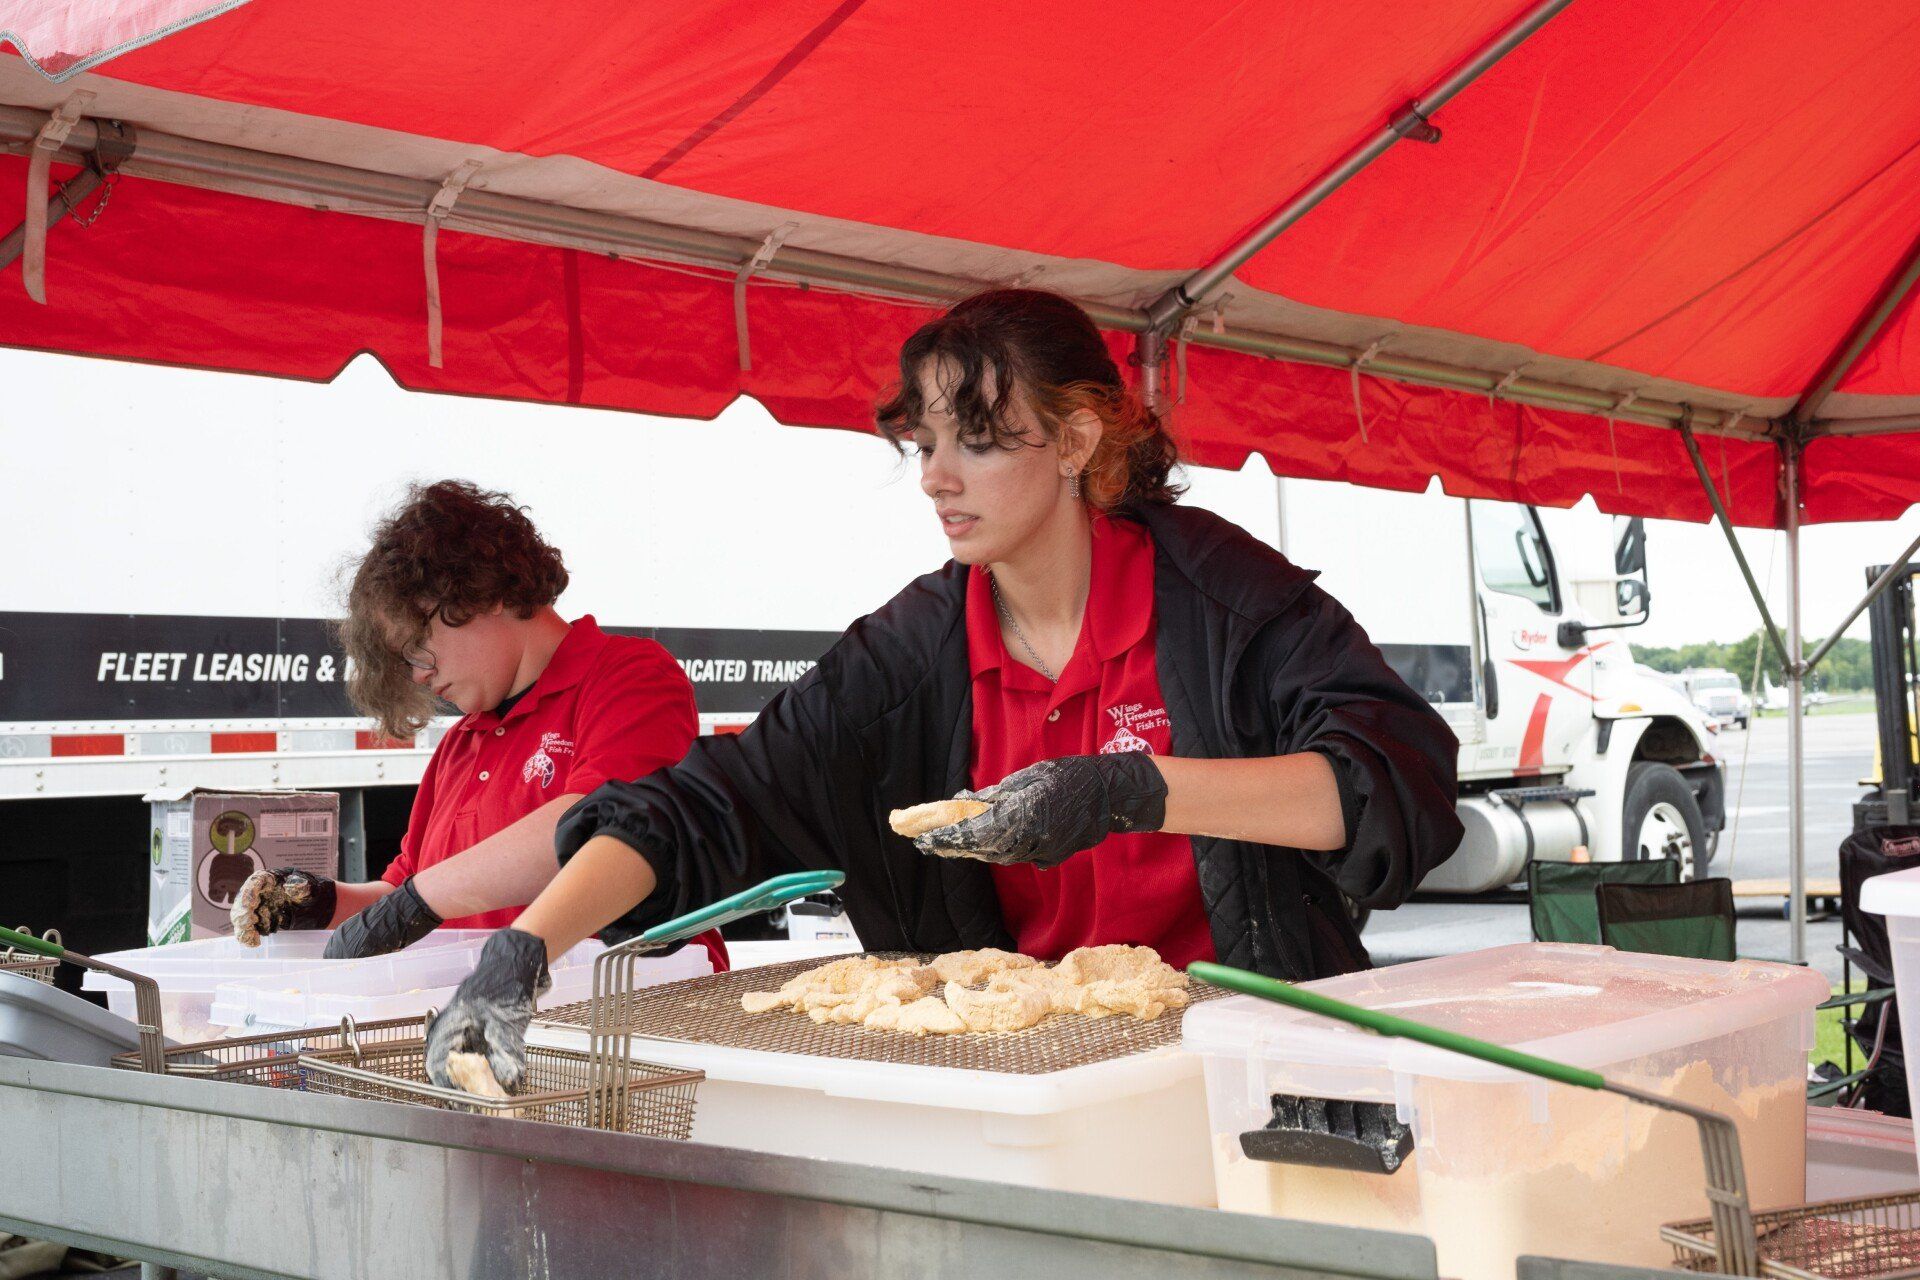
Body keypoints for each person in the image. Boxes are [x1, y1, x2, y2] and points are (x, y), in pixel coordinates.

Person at [424, 290, 1461, 1089]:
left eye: (976, 439)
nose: (933, 477)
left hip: (1247, 1071)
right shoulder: (907, 656)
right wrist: (525, 946)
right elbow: (704, 801)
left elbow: (1394, 784)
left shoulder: (1224, 599)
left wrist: (1132, 790)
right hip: (1026, 1088)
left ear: (1076, 441)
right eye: (924, 444)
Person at [230, 480, 725, 971]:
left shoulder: (628, 675)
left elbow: (606, 828)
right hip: (496, 1018)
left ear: (481, 591)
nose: (420, 674)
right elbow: (406, 892)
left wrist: (420, 898)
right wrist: (325, 901)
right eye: (405, 662)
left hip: (622, 1013)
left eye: (417, 647)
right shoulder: (462, 743)